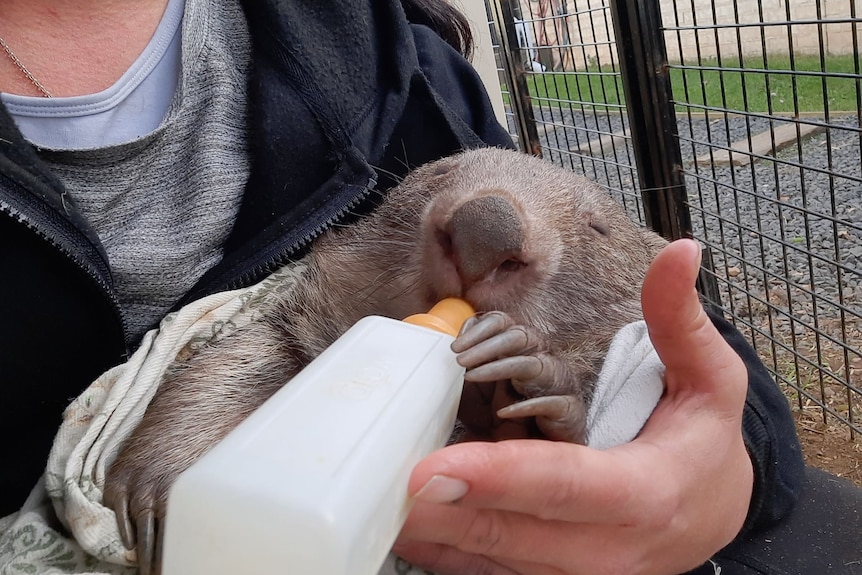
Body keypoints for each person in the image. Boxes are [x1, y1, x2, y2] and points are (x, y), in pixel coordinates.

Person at [0, 1, 858, 574]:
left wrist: (721, 469)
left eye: (594, 231)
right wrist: (178, 440)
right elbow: (278, 335)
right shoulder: (352, 256)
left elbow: (667, 365)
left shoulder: (381, 49)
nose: (475, 222)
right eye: (429, 182)